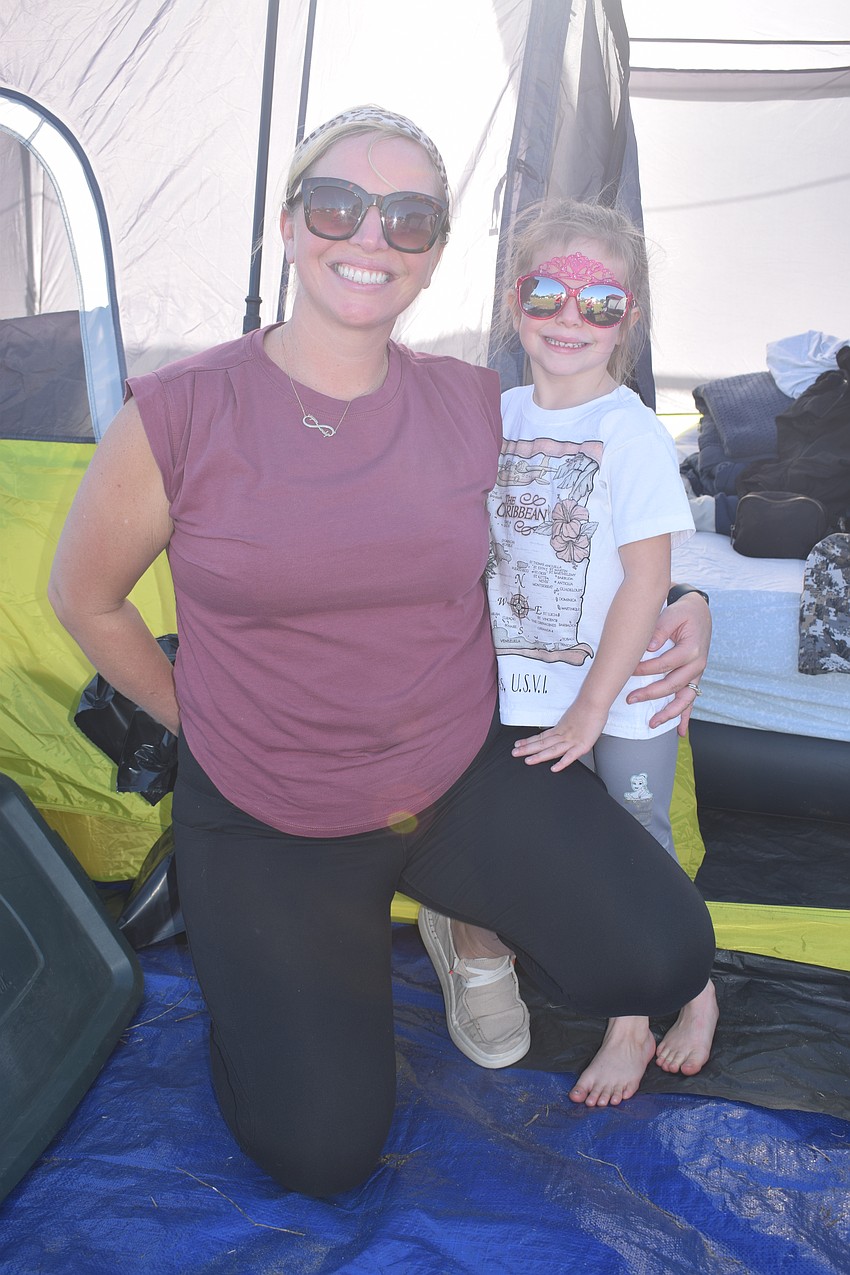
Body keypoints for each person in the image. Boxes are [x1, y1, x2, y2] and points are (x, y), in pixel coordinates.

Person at [48, 106, 715, 1199]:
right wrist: (198, 721)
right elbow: (85, 597)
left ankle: (459, 919)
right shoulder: (177, 412)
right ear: (289, 225)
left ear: (436, 252)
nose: (370, 235)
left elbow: (584, 514)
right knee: (319, 1156)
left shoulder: (465, 403)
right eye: (338, 204)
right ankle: (300, 962)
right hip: (269, 814)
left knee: (662, 956)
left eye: (408, 217)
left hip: (449, 776)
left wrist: (682, 596)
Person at [419, 199, 718, 1107]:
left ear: (626, 320)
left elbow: (644, 581)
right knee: (561, 850)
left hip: (616, 702)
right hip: (515, 690)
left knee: (636, 846)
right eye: (548, 293)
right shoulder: (494, 412)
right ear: (517, 304)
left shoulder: (629, 431)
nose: (569, 319)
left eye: (599, 302)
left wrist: (592, 706)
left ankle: (657, 1009)